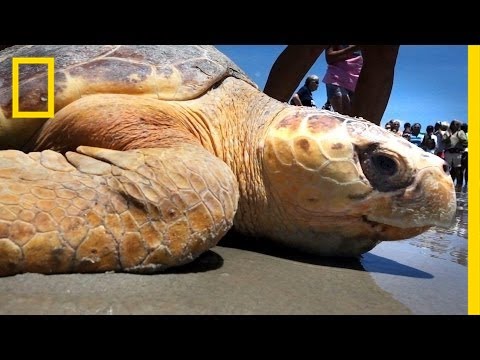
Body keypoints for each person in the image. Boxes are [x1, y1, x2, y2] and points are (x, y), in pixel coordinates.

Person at [263, 45, 399, 126]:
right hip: (337, 79)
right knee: (341, 113)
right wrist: (354, 48)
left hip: (355, 82)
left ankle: (364, 154)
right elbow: (330, 57)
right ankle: (263, 121)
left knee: (384, 49)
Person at [322, 45, 363, 115]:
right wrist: (352, 49)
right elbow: (329, 58)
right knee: (342, 115)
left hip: (354, 83)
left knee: (353, 117)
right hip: (336, 79)